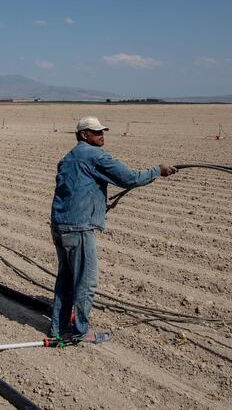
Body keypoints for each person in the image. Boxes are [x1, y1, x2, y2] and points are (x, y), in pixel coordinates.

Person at [49, 116, 177, 343]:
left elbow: (72, 191)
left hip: (60, 226)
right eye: (96, 132)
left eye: (102, 131)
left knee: (66, 280)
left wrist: (101, 203)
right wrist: (157, 170)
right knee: (85, 282)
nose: (101, 135)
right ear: (83, 135)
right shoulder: (95, 155)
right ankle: (80, 331)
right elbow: (129, 178)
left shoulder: (68, 158)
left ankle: (58, 329)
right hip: (79, 229)